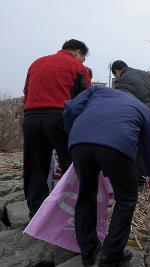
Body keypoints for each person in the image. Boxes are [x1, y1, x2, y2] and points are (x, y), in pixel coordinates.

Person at [63, 86, 150, 266]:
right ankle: (111, 254)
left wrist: (74, 134)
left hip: (79, 144)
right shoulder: (140, 106)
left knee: (85, 196)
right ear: (132, 94)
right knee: (126, 200)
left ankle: (88, 252)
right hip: (117, 145)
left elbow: (70, 108)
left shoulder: (96, 92)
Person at [22, 39, 91, 218]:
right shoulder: (77, 67)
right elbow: (85, 98)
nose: (82, 61)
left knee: (34, 166)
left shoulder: (37, 63)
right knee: (72, 164)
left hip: (31, 118)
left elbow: (26, 93)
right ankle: (75, 212)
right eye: (83, 58)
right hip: (59, 117)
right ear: (78, 52)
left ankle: (37, 214)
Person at [111, 60, 150, 128]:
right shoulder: (146, 74)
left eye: (115, 76)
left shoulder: (121, 80)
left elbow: (119, 105)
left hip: (140, 117)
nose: (116, 77)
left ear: (116, 71)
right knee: (149, 136)